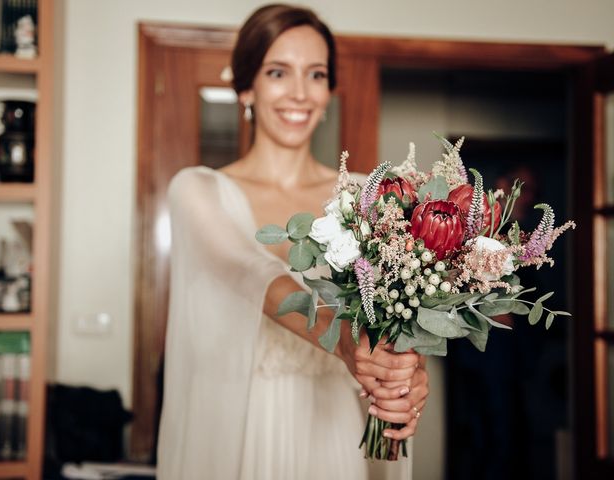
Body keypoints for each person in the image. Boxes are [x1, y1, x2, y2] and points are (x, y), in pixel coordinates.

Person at [156, 4, 429, 479]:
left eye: (316, 74)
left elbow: (397, 316)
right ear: (246, 86)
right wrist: (344, 340)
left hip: (335, 436)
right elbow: (254, 275)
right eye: (278, 72)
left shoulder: (368, 196)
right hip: (242, 435)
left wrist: (404, 375)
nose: (300, 93)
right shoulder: (197, 191)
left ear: (329, 90)